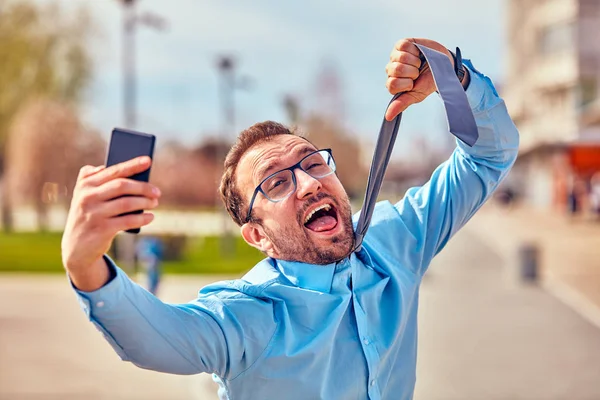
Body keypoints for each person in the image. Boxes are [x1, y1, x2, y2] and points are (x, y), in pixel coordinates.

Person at [61, 38, 519, 400]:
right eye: (276, 183)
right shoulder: (249, 316)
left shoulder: (395, 239)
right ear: (257, 235)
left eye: (312, 162)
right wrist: (85, 265)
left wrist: (451, 75)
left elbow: (489, 157)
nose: (308, 183)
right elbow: (158, 338)